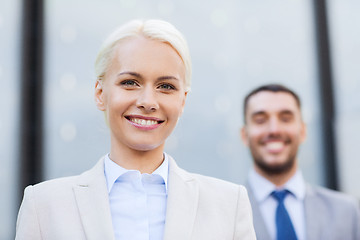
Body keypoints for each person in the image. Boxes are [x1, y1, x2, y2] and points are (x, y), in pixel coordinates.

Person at [15, 19, 256, 240]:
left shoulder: (228, 205)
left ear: (182, 101)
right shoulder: (44, 205)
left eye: (166, 86)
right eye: (130, 82)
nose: (148, 101)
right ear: (100, 93)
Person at [240, 83, 360, 240]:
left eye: (286, 119)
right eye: (261, 120)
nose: (274, 129)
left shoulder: (346, 211)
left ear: (302, 131)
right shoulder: (225, 212)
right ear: (244, 135)